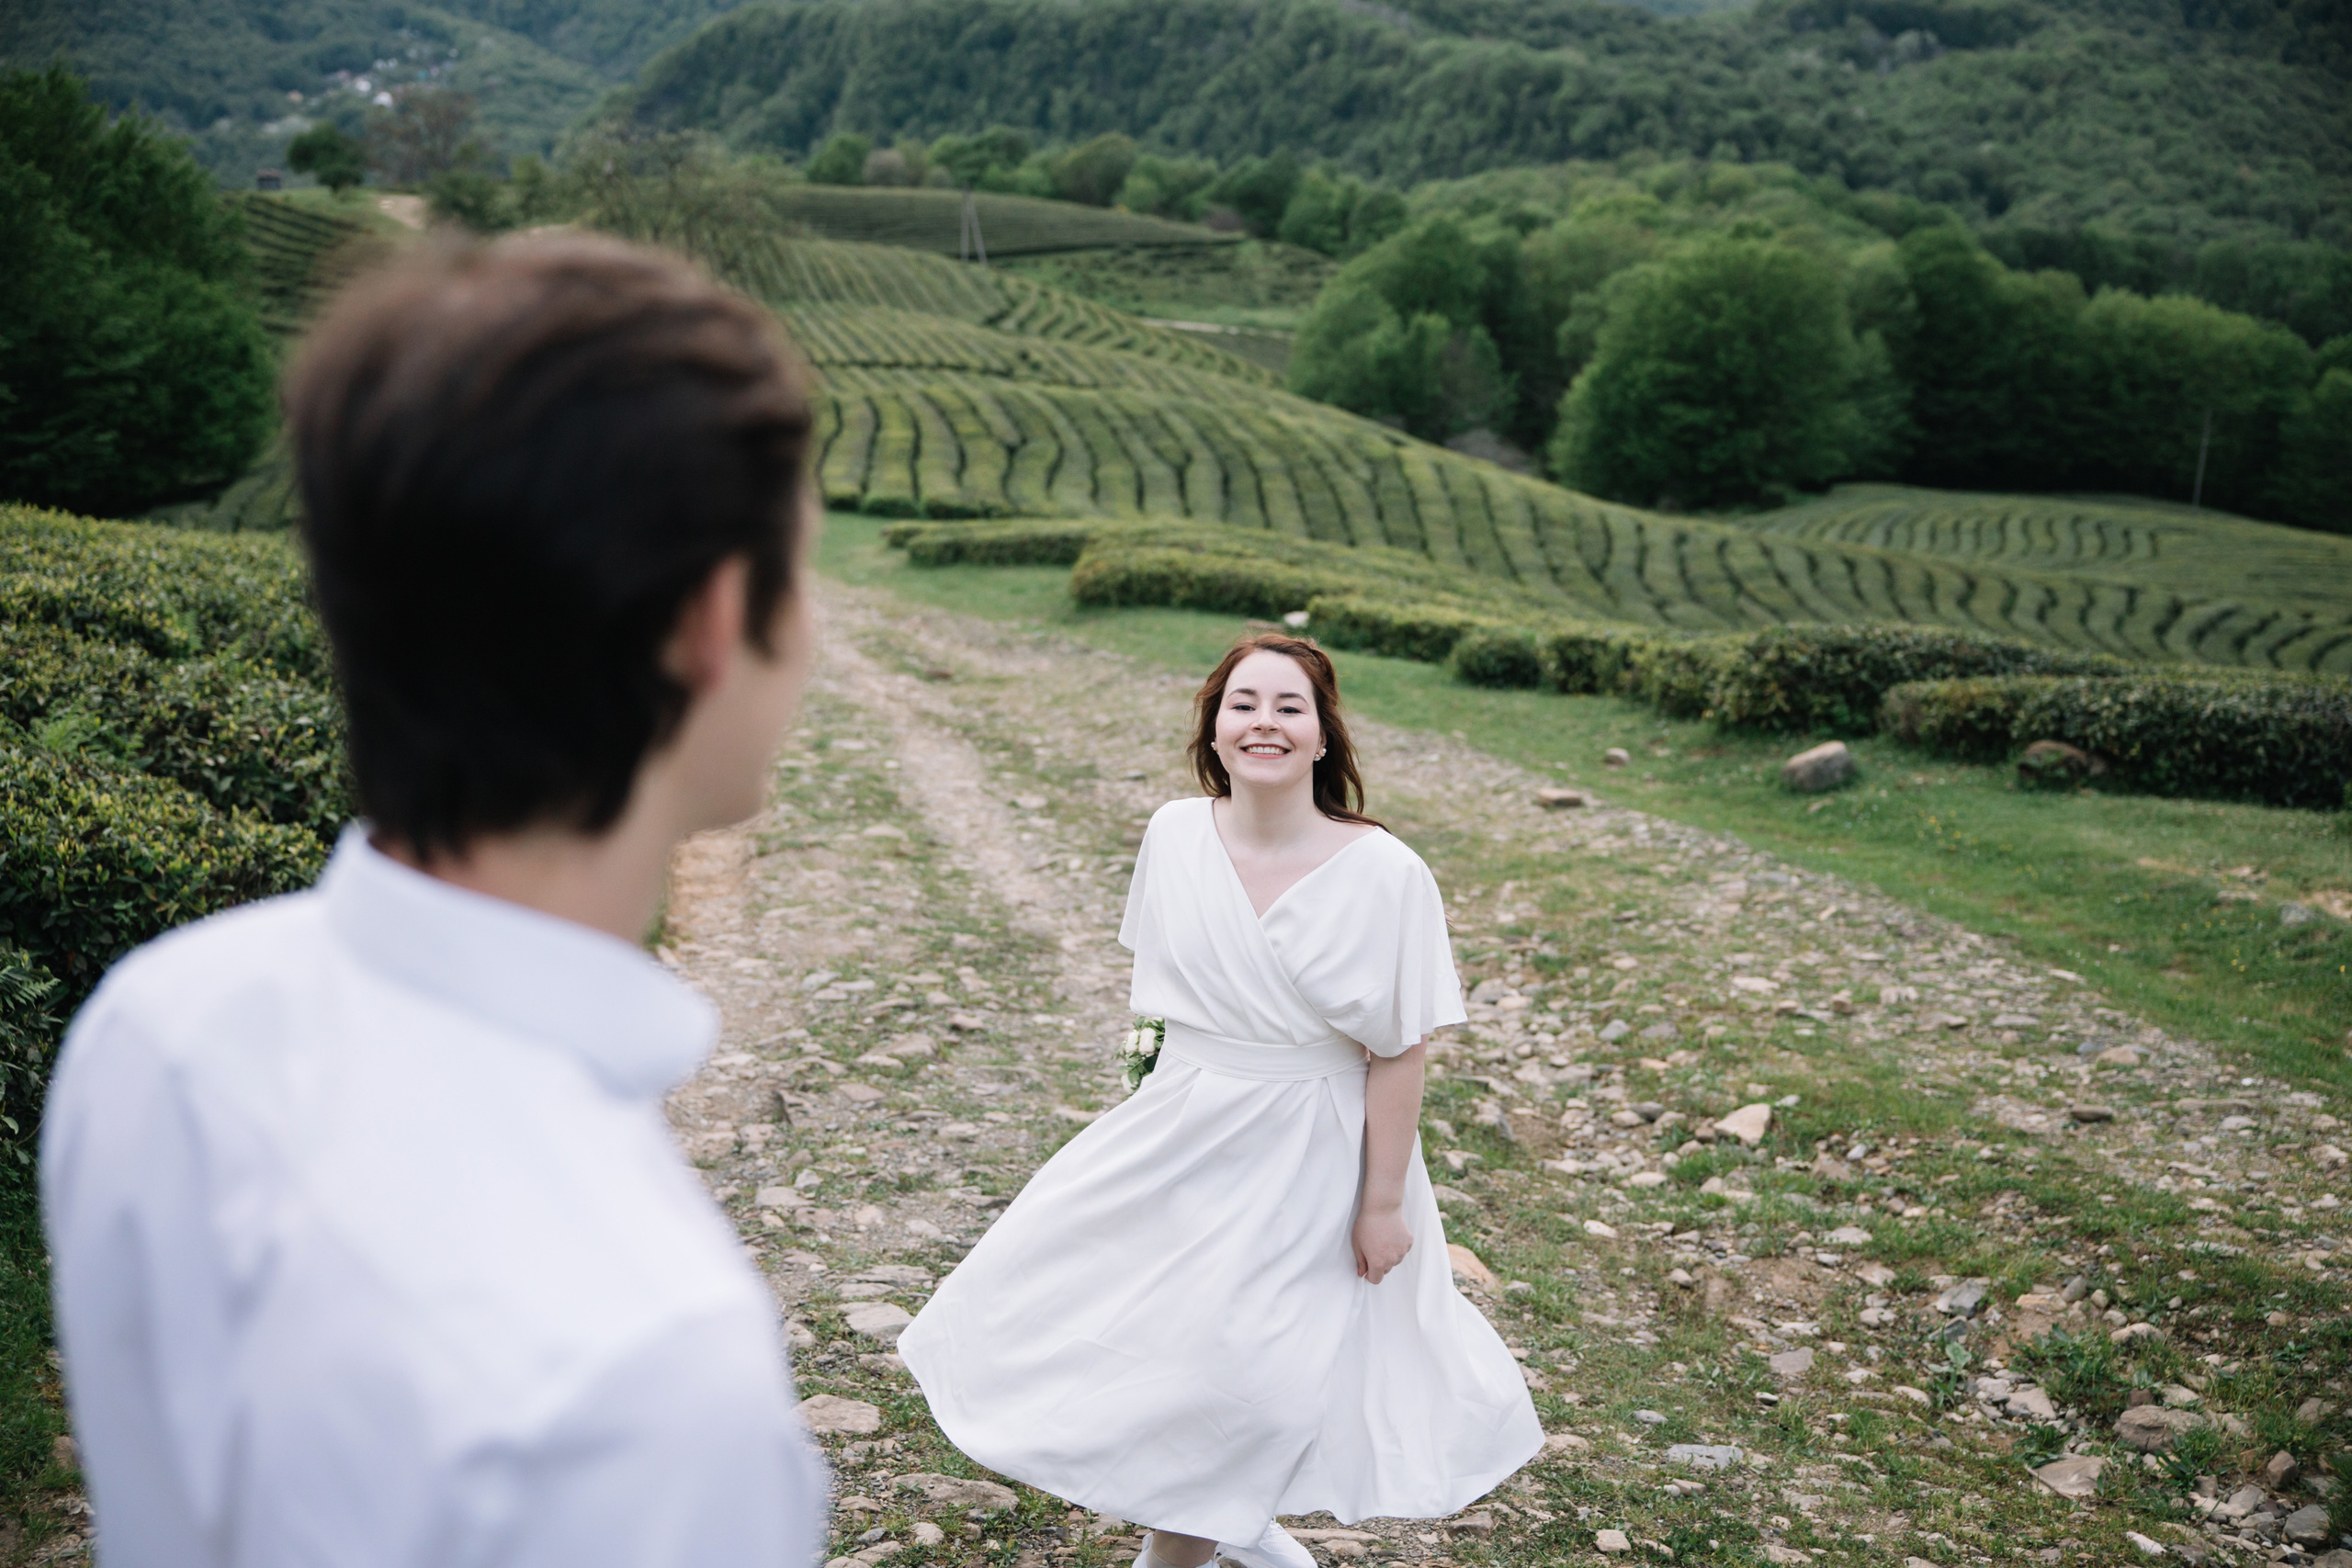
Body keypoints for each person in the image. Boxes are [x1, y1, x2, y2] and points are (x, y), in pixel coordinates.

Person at [40, 233, 830, 1566]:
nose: (812, 635)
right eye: (800, 574)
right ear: (709, 619)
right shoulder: (653, 1371)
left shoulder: (163, 1019)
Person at [897, 634, 1541, 1568]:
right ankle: (1231, 1522)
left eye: (1289, 707)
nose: (1265, 723)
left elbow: (1399, 1052)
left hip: (1311, 1144)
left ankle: (1202, 1539)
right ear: (1214, 728)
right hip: (1184, 1125)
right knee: (1131, 1331)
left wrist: (1380, 1202)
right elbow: (1170, 998)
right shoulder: (1173, 833)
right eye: (1243, 704)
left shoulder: (1384, 873)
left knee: (1252, 1370)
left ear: (1323, 737)